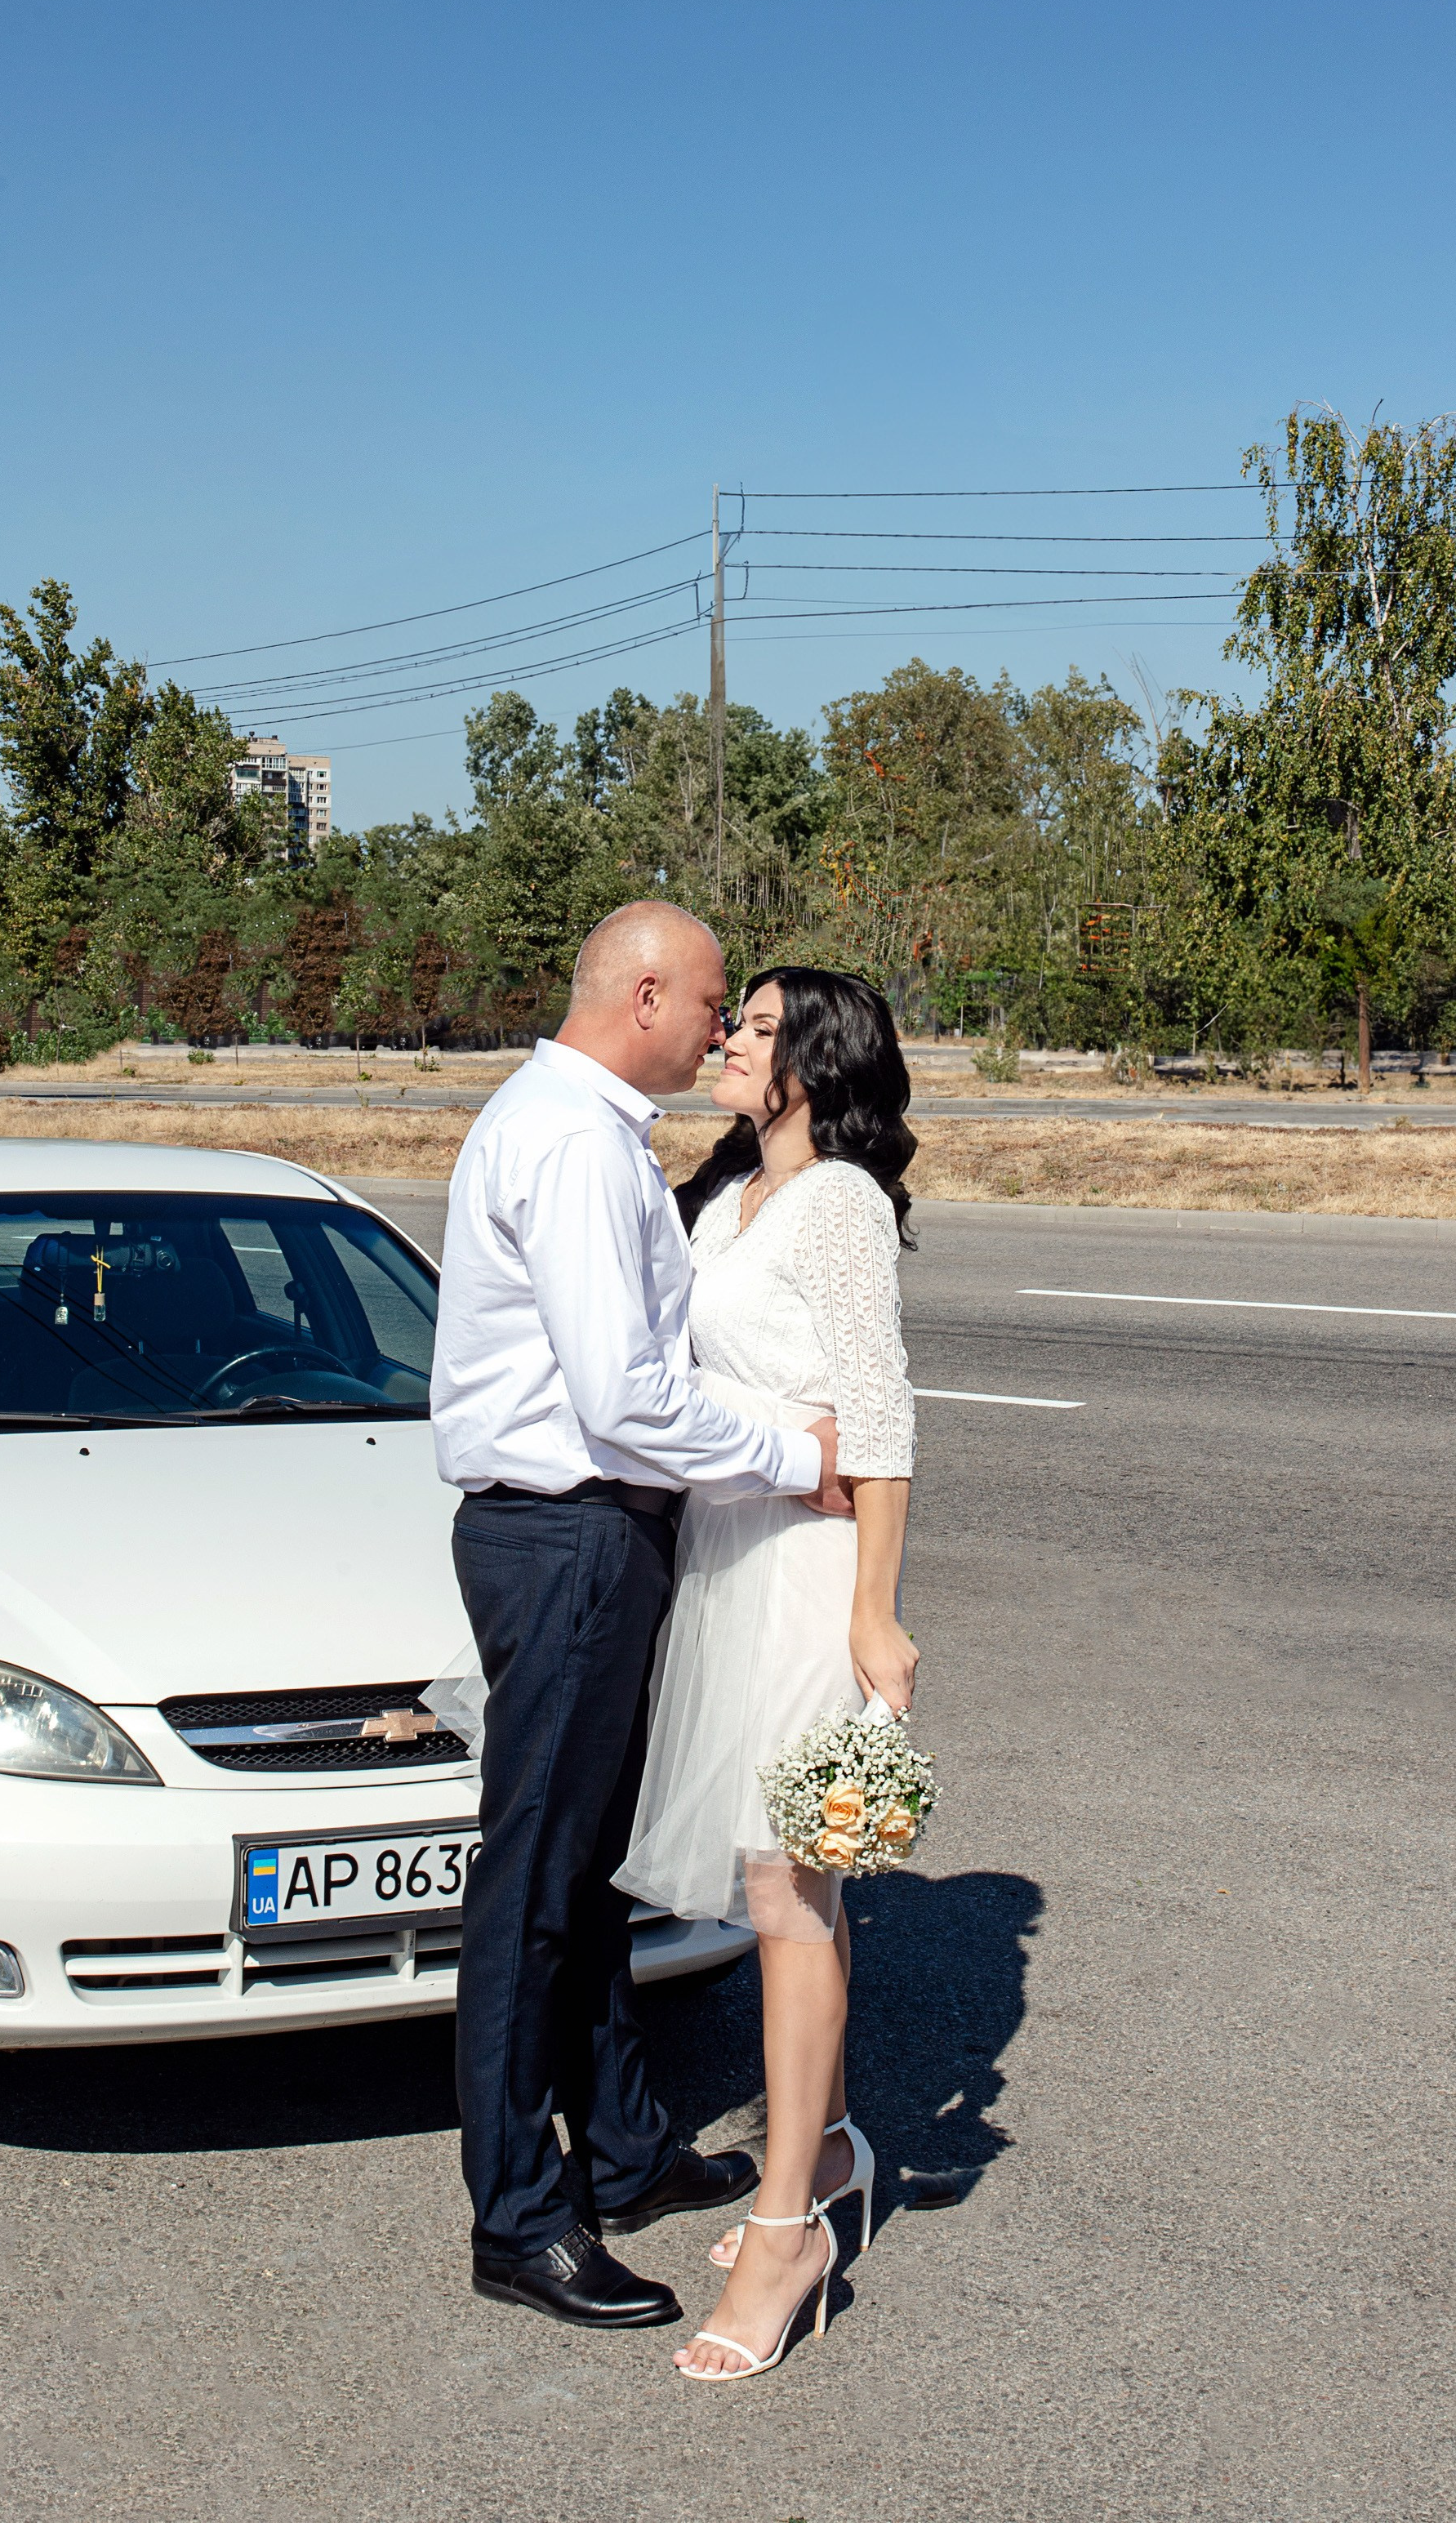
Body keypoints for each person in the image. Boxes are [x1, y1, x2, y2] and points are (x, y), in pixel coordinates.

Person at [429, 900, 852, 2334]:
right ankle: (518, 2216)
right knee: (537, 1891)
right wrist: (799, 1462)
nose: (725, 1027)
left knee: (586, 1870)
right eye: (717, 1002)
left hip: (588, 1538)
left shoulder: (593, 1130)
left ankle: (618, 2148)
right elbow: (623, 1399)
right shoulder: (565, 1139)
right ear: (650, 993)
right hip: (565, 1541)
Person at [612, 965, 919, 2383]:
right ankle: (839, 2139)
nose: (730, 1038)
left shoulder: (839, 1203)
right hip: (722, 1555)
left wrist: (874, 1615)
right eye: (729, 1019)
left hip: (800, 1575)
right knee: (792, 1880)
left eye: (753, 1025)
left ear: (815, 1058)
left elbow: (881, 1415)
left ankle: (790, 2224)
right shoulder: (726, 1190)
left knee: (785, 1887)